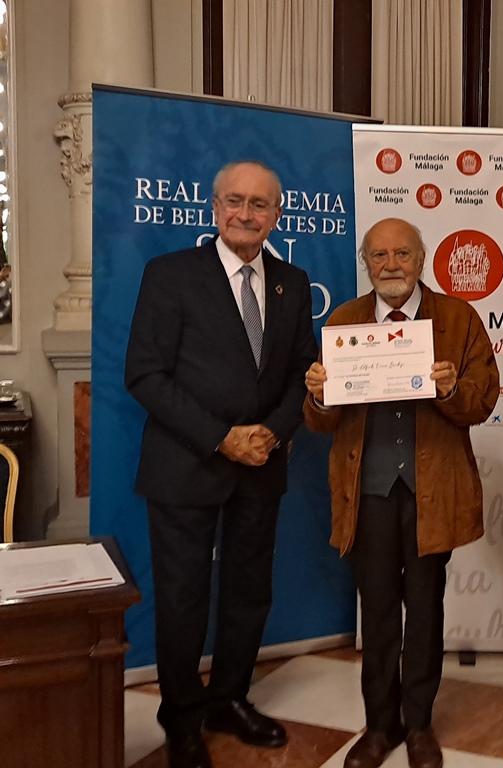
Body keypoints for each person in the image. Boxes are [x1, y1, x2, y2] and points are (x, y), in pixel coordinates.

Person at [125, 160, 318, 768]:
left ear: (276, 216)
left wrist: (274, 432)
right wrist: (220, 438)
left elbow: (301, 373)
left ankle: (230, 698)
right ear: (214, 207)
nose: (246, 214)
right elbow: (145, 374)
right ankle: (182, 720)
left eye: (260, 204)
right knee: (182, 599)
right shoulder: (170, 274)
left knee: (248, 592)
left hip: (262, 464)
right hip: (185, 466)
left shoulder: (291, 282)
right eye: (235, 201)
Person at [303, 217, 499, 768]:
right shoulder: (344, 321)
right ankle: (379, 726)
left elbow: (482, 401)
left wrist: (450, 389)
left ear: (421, 259)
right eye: (380, 255)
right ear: (366, 263)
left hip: (431, 492)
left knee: (426, 611)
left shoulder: (457, 318)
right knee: (379, 611)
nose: (391, 265)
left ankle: (419, 725)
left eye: (403, 254)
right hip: (366, 493)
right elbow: (320, 421)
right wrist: (318, 397)